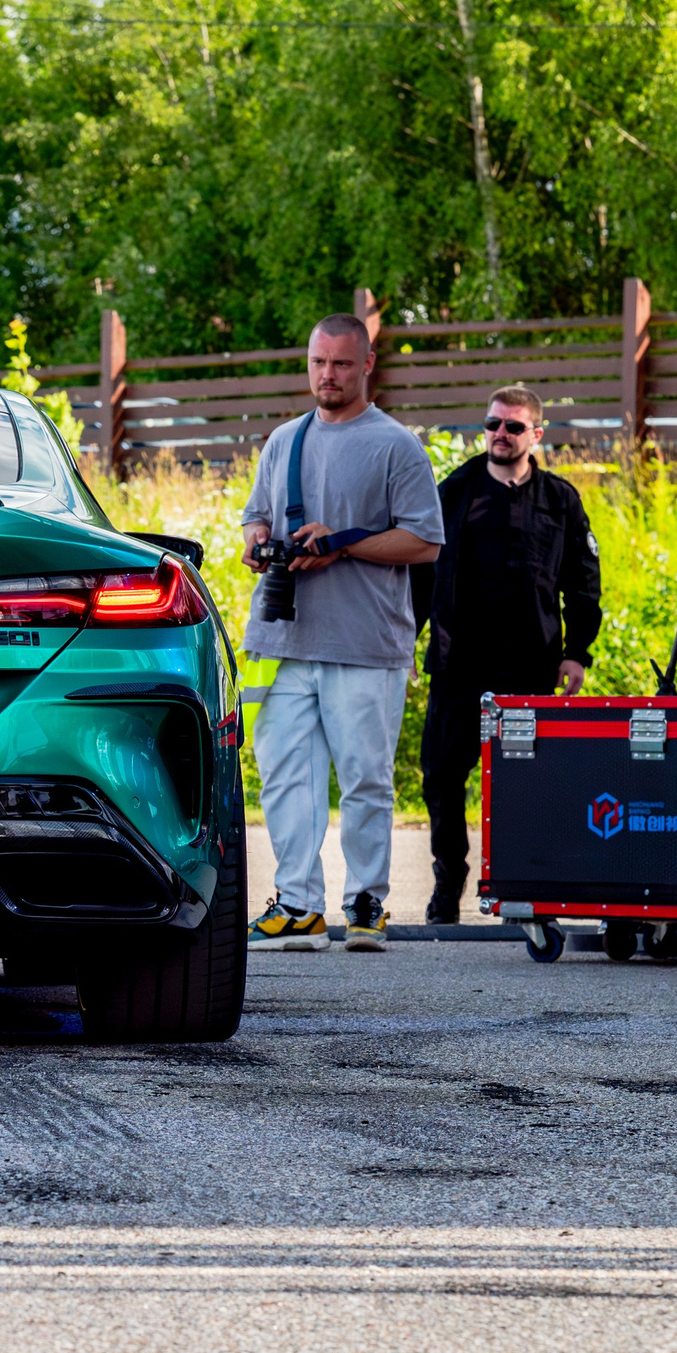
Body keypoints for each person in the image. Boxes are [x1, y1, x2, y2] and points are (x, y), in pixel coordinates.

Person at [239, 314, 445, 951]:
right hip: (277, 637)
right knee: (283, 777)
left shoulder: (395, 445)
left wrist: (343, 547)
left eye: (342, 364)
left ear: (368, 366)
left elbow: (425, 541)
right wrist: (258, 542)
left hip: (365, 641)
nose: (328, 376)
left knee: (364, 776)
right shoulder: (283, 440)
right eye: (319, 363)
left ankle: (366, 904)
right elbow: (256, 516)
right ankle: (298, 905)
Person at [413, 386, 602, 923]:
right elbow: (421, 575)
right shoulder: (454, 492)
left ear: (536, 435)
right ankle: (448, 883)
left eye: (514, 427)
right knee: (443, 776)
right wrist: (406, 639)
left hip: (530, 665)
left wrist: (577, 653)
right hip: (458, 663)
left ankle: (525, 883)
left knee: (526, 779)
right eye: (493, 424)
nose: (500, 433)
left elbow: (583, 582)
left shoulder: (560, 500)